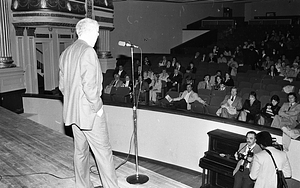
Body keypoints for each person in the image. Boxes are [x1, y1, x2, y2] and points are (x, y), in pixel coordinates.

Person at [59, 18, 119, 188]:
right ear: (90, 32)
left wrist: (75, 103)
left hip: (73, 113)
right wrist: (97, 108)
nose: (98, 35)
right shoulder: (88, 52)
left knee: (80, 152)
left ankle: (82, 185)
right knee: (103, 153)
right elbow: (90, 87)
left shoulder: (66, 52)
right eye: (97, 31)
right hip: (90, 114)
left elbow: (63, 87)